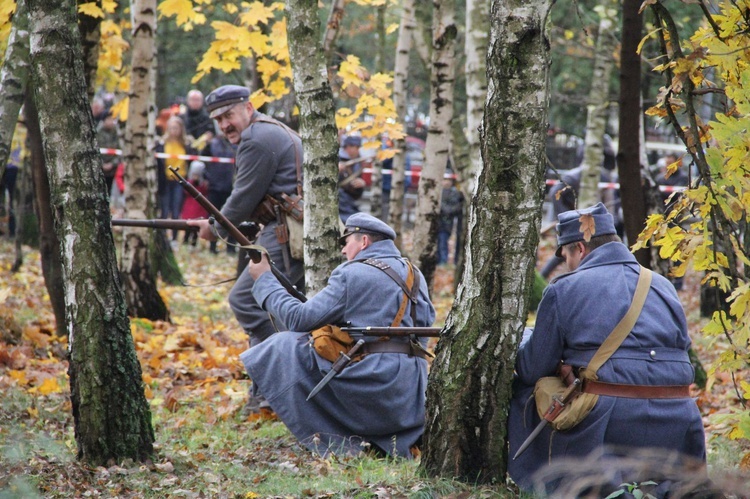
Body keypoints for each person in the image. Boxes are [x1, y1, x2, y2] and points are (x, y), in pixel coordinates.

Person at [508, 203, 706, 492]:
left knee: (524, 391)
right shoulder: (663, 286)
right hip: (680, 421)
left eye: (565, 256)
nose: (566, 265)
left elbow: (531, 368)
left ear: (580, 248)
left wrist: (525, 340)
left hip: (609, 421)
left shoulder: (563, 289)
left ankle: (543, 484)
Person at [240, 213, 436, 457]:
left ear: (363, 242)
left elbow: (297, 319)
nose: (343, 251)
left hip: (374, 391)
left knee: (284, 345)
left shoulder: (350, 273)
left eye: (346, 242)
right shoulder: (414, 273)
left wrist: (265, 281)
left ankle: (333, 437)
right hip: (409, 397)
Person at [188, 85, 305, 412]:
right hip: (283, 229)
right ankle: (264, 395)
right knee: (270, 305)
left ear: (248, 108)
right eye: (217, 119)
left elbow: (241, 199)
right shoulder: (266, 130)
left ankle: (279, 383)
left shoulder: (256, 138)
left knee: (248, 301)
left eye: (228, 115)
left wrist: (212, 228)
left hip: (287, 233)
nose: (224, 125)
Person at [156, 115, 197, 243]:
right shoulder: (162, 143)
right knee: (164, 210)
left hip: (179, 181)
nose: (174, 131)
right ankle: (162, 238)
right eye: (171, 128)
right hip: (165, 180)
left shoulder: (187, 144)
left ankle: (174, 238)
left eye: (176, 128)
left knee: (175, 210)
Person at [202, 132, 238, 254]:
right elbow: (202, 159)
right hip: (215, 187)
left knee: (232, 218)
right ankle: (212, 246)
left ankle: (231, 247)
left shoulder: (237, 143)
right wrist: (207, 177)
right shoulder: (213, 143)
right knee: (213, 217)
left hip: (231, 187)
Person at [437, 172, 464, 265]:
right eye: (445, 180)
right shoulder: (437, 192)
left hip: (447, 223)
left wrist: (444, 209)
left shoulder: (455, 193)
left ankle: (443, 262)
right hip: (437, 223)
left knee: (443, 243)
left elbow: (454, 208)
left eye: (449, 180)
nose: (447, 182)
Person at [338, 135, 366, 222]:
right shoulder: (337, 158)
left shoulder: (358, 162)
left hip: (349, 201)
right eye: (355, 147)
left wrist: (361, 184)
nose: (357, 150)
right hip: (339, 201)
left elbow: (357, 194)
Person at [180, 161, 209, 247]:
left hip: (199, 208)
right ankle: (185, 241)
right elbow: (186, 192)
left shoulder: (203, 184)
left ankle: (193, 243)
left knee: (196, 228)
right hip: (190, 207)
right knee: (187, 227)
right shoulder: (189, 182)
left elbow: (204, 191)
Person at [95, 114, 121, 200]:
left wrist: (112, 164)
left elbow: (119, 151)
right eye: (108, 119)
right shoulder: (97, 133)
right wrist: (101, 164)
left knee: (109, 190)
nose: (110, 122)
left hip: (112, 169)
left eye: (112, 119)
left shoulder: (116, 134)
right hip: (100, 168)